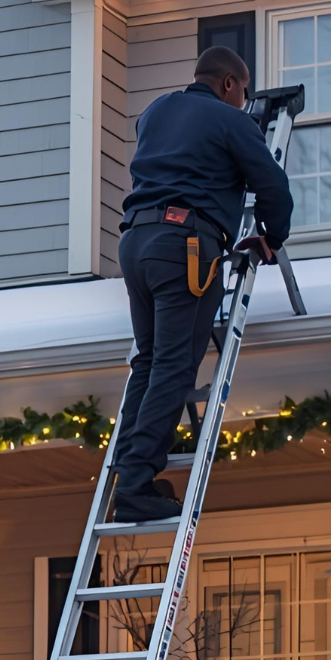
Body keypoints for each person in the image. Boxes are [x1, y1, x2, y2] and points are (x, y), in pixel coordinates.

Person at [108, 46, 293, 522]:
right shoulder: (231, 121)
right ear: (229, 84)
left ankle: (128, 474)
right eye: (242, 91)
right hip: (183, 246)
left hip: (135, 243)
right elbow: (272, 185)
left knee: (148, 363)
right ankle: (134, 484)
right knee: (171, 367)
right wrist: (271, 235)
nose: (245, 100)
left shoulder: (155, 113)